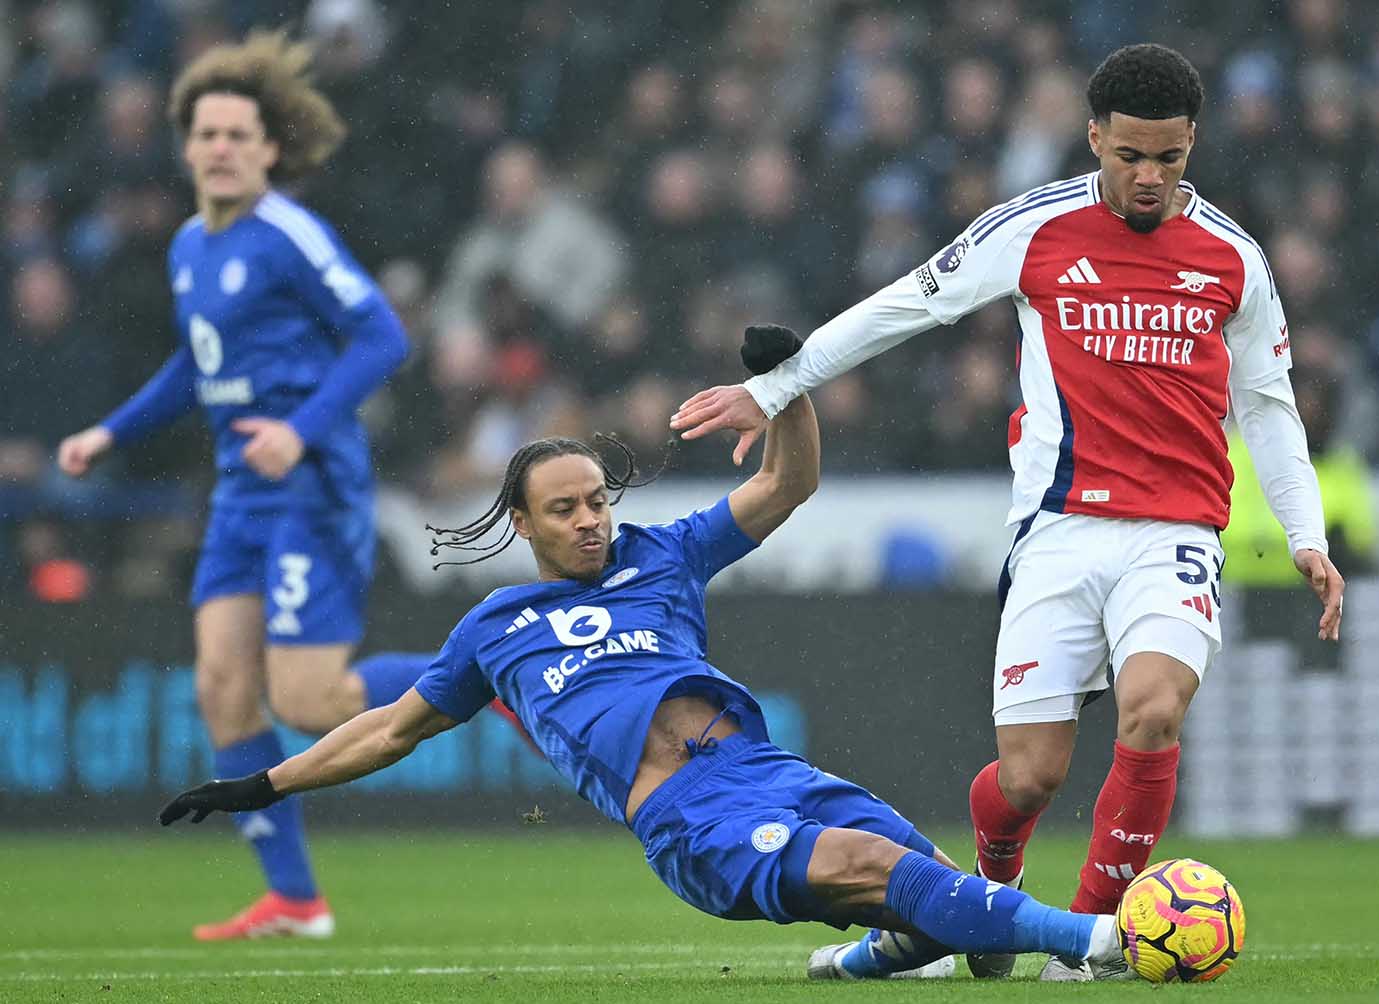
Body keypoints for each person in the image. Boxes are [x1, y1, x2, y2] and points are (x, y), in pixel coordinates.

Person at [160, 325, 1132, 983]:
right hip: (687, 814)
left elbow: (789, 483)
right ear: (521, 522)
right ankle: (1097, 936)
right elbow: (386, 728)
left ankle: (869, 959)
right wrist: (266, 784)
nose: (590, 521)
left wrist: (788, 384)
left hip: (764, 766)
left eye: (597, 500)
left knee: (936, 900)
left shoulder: (660, 554)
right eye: (565, 509)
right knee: (877, 862)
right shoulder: (495, 626)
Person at [670, 44, 1346, 982]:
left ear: (1193, 142)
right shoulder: (1031, 229)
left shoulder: (1234, 257)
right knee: (1028, 778)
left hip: (1176, 531)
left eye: (1170, 159)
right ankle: (985, 910)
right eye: (1130, 156)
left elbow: (1268, 406)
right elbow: (907, 304)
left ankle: (1092, 941)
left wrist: (1305, 536)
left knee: (1153, 712)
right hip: (1058, 530)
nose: (1149, 178)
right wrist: (780, 386)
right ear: (1094, 136)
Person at [56, 32, 438, 940]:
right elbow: (199, 366)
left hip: (311, 484)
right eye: (207, 133)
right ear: (185, 146)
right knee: (222, 689)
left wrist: (299, 430)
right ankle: (297, 899)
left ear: (272, 148)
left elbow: (385, 337)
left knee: (309, 701)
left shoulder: (289, 236)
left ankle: (490, 673)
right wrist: (108, 432)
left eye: (239, 133)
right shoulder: (189, 245)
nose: (221, 147)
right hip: (239, 493)